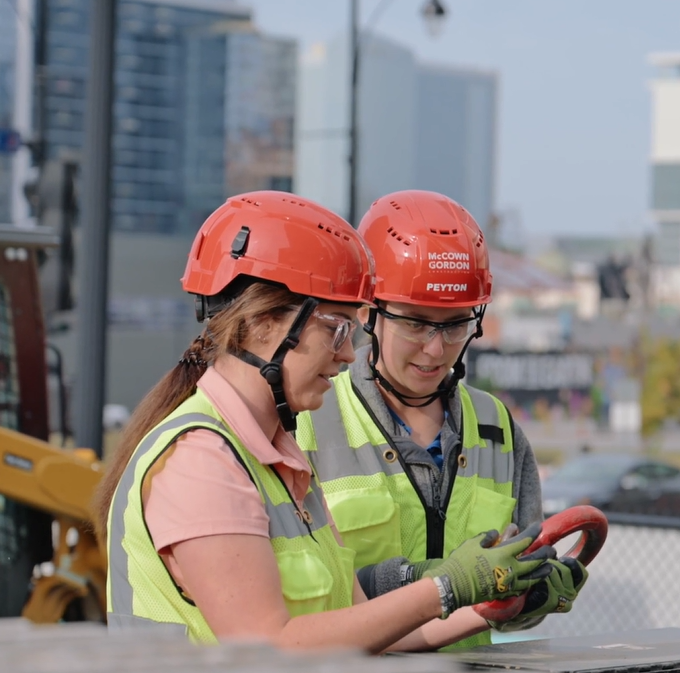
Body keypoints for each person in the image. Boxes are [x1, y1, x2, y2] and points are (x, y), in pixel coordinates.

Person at [91, 191, 556, 651]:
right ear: (262, 322)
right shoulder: (199, 462)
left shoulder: (280, 463)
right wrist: (444, 588)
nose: (348, 354)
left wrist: (486, 597)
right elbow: (270, 648)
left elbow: (359, 631)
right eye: (335, 328)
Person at [296, 190, 586, 648]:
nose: (436, 349)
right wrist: (428, 581)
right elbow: (297, 603)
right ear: (369, 313)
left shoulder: (496, 428)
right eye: (415, 322)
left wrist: (528, 598)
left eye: (454, 325)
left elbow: (512, 589)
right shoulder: (307, 419)